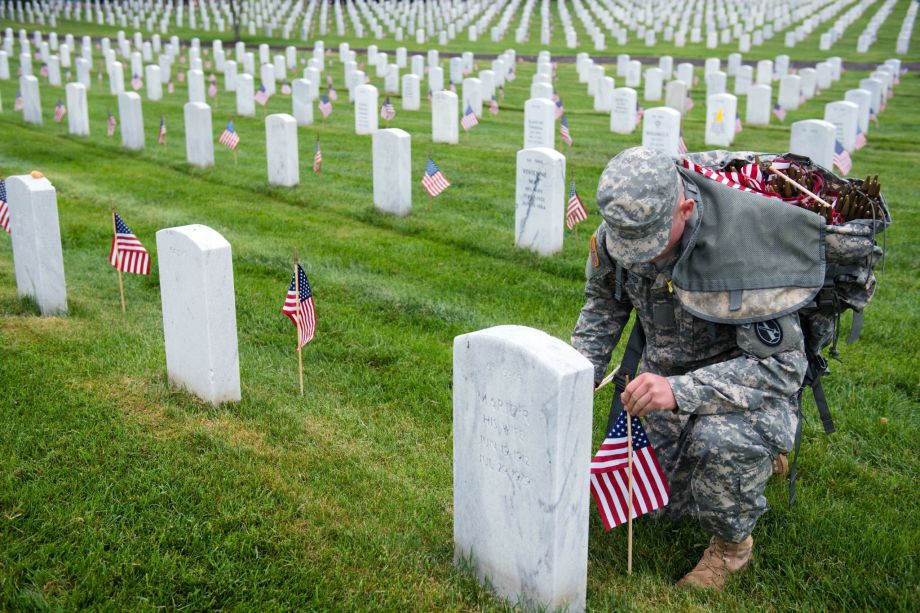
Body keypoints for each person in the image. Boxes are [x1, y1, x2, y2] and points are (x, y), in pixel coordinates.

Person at [572, 146, 807, 589]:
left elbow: (783, 369)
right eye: (629, 248)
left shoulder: (742, 251)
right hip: (661, 383)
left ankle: (732, 549)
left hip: (743, 394)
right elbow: (604, 303)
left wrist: (681, 391)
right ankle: (761, 463)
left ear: (686, 208)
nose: (640, 259)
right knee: (663, 508)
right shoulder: (624, 229)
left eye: (651, 245)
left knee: (720, 446)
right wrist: (578, 371)